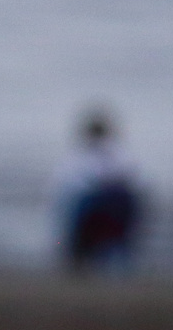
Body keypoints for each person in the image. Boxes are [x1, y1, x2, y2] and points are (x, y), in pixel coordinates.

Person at [54, 107, 143, 275]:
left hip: (97, 204)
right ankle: (119, 267)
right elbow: (133, 178)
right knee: (118, 238)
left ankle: (77, 261)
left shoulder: (80, 154)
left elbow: (72, 183)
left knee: (78, 220)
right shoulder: (121, 152)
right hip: (120, 203)